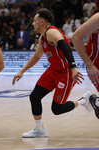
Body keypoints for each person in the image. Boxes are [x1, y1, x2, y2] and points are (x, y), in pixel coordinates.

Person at [12, 9, 91, 138]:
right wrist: (21, 71)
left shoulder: (52, 32)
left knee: (57, 109)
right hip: (53, 70)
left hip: (65, 73)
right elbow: (36, 57)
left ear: (42, 22)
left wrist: (73, 68)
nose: (32, 23)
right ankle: (39, 129)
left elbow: (66, 47)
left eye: (35, 20)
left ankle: (83, 100)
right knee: (34, 97)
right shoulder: (42, 37)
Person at [71, 12, 99, 119]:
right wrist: (90, 65)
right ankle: (93, 100)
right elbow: (76, 37)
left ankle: (94, 101)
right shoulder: (97, 18)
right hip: (96, 66)